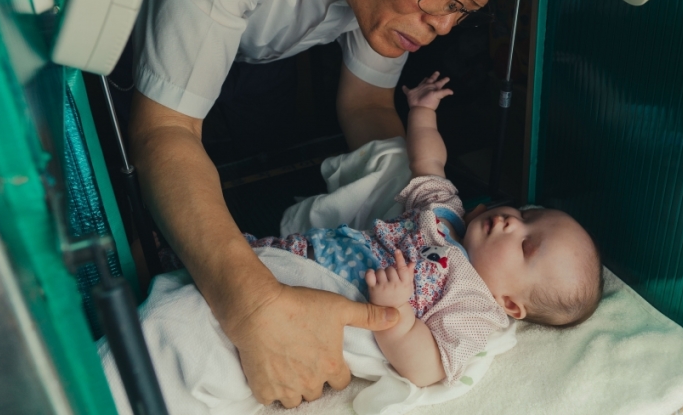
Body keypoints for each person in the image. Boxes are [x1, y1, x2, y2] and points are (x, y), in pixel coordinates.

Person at [115, 0, 541, 406]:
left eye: (467, 8)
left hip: (260, 34)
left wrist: (409, 204)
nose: (441, 26)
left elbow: (364, 104)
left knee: (256, 126)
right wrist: (254, 306)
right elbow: (163, 132)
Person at [242, 73, 603, 387]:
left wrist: (397, 312)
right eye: (527, 215)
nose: (513, 222)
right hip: (311, 251)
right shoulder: (447, 213)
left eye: (525, 245)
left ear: (509, 302)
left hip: (335, 295)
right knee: (241, 265)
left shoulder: (474, 306)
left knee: (239, 308)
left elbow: (427, 367)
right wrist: (423, 112)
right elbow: (428, 163)